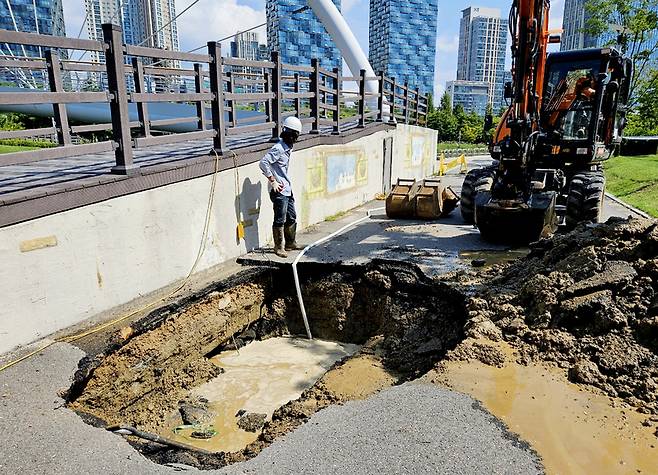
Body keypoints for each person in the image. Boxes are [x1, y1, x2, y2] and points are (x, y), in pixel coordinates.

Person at [259, 116, 304, 258]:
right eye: (295, 135)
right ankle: (278, 247)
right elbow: (263, 163)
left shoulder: (288, 146)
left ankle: (291, 242)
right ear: (289, 133)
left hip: (287, 188)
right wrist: (273, 181)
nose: (296, 138)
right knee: (280, 218)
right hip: (278, 190)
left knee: (292, 216)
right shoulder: (278, 148)